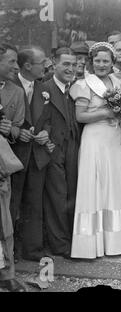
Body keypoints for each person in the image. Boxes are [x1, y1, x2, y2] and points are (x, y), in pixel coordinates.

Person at [70, 42, 121, 259]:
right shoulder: (84, 84)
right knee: (96, 185)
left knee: (115, 185)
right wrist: (106, 113)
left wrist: (118, 113)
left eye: (105, 61)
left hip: (114, 139)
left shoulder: (117, 82)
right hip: (95, 139)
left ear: (112, 63)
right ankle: (92, 244)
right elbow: (80, 116)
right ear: (92, 62)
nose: (101, 64)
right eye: (97, 61)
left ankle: (118, 241)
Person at [12, 45, 53, 261]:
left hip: (36, 156)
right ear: (28, 66)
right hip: (14, 155)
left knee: (34, 203)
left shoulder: (42, 88)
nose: (47, 65)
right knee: (11, 204)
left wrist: (46, 132)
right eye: (42, 62)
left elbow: (48, 120)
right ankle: (8, 251)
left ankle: (33, 250)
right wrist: (16, 132)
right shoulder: (10, 86)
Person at [42, 47, 81, 258]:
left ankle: (74, 240)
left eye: (74, 65)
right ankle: (60, 245)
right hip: (54, 149)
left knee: (73, 194)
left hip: (74, 147)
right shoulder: (44, 88)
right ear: (53, 63)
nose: (71, 69)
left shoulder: (75, 89)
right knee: (57, 196)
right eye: (66, 64)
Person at [0, 42, 26, 291]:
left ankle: (7, 274)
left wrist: (10, 130)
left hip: (1, 167)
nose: (16, 66)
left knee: (4, 221)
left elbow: (18, 128)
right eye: (11, 62)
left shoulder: (16, 92)